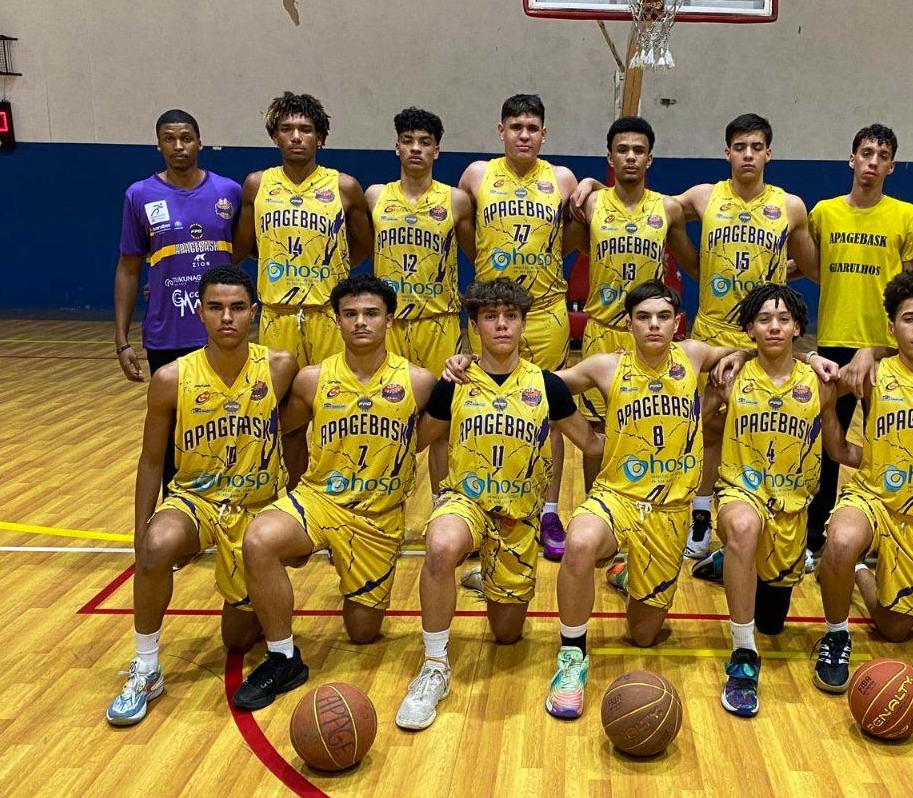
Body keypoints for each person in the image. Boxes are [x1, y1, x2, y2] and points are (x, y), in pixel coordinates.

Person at [532, 281, 804, 719]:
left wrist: (758, 356)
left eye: (662, 317)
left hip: (670, 512)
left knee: (643, 635)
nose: (654, 325)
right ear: (629, 324)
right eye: (643, 317)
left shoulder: (693, 355)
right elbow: (539, 386)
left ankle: (626, 575)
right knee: (579, 543)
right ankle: (572, 656)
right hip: (617, 497)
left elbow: (759, 349)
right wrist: (586, 438)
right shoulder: (605, 366)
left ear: (677, 323)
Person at [571, 113, 818, 559]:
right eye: (739, 147)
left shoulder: (792, 206)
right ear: (727, 152)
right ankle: (685, 513)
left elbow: (814, 266)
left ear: (769, 153)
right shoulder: (702, 197)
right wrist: (589, 183)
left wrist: (780, 279)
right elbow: (655, 220)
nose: (747, 155)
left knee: (756, 428)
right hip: (709, 331)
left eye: (756, 147)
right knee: (700, 426)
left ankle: (760, 518)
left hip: (760, 338)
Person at [394, 279, 604, 731]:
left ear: (524, 324)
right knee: (440, 546)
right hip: (465, 503)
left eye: (510, 316)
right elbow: (421, 440)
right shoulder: (455, 383)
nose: (502, 325)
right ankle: (434, 666)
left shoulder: (548, 385)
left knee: (507, 634)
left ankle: (486, 573)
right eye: (491, 317)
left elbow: (590, 443)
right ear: (475, 327)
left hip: (518, 519)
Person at [232, 276, 437, 711]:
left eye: (371, 313)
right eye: (350, 314)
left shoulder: (419, 382)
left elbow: (431, 438)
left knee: (362, 632)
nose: (361, 322)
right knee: (260, 538)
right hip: (319, 500)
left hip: (378, 517)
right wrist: (287, 496)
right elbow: (283, 431)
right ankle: (283, 657)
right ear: (337, 321)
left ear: (389, 320)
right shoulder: (312, 379)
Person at [106, 265, 297, 726]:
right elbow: (151, 460)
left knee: (237, 639)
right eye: (215, 307)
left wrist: (297, 510)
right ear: (199, 312)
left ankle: (254, 611)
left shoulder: (279, 366)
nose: (226, 317)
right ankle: (146, 667)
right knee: (157, 546)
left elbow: (297, 434)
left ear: (254, 312)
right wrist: (139, 532)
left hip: (256, 508)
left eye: (237, 307)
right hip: (196, 501)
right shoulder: (171, 378)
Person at [811, 270, 913, 695]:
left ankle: (859, 572)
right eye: (909, 319)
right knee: (842, 540)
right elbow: (824, 405)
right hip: (872, 499)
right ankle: (836, 636)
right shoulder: (871, 374)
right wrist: (832, 414)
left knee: (895, 629)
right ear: (892, 325)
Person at [700, 284, 837, 716]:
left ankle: (729, 562)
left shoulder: (821, 382)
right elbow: (698, 428)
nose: (774, 327)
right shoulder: (730, 377)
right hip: (740, 492)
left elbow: (836, 444)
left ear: (798, 327)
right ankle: (743, 654)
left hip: (791, 509)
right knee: (743, 528)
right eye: (764, 320)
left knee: (773, 623)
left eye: (783, 319)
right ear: (750, 329)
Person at [458, 94, 580, 560]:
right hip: (492, 312)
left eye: (532, 128)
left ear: (544, 134)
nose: (523, 135)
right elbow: (467, 233)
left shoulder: (562, 179)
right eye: (515, 127)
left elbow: (572, 236)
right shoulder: (477, 175)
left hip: (546, 311)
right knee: (480, 411)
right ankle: (480, 505)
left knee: (547, 412)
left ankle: (548, 510)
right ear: (501, 131)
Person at [233, 92, 371, 482]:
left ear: (320, 137)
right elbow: (243, 247)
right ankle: (297, 494)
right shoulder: (257, 185)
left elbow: (363, 248)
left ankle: (339, 490)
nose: (296, 136)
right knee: (286, 416)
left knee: (338, 412)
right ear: (274, 136)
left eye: (306, 129)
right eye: (287, 129)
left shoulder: (344, 186)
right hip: (277, 316)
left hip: (328, 316)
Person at [806, 124, 913, 561]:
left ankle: (890, 531)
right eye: (866, 153)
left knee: (891, 445)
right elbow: (810, 263)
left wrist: (886, 347)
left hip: (886, 349)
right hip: (833, 343)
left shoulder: (906, 215)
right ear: (852, 159)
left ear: (891, 166)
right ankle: (814, 538)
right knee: (824, 448)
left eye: (882, 156)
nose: (873, 162)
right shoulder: (823, 213)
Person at [567, 115, 696, 488]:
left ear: (649, 159)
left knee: (654, 421)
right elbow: (566, 248)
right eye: (622, 150)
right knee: (597, 427)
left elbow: (693, 265)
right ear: (610, 157)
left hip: (649, 334)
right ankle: (595, 503)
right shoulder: (592, 204)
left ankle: (651, 499)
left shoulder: (668, 209)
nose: (630, 157)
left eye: (639, 150)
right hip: (603, 331)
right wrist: (589, 184)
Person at [115, 109, 242, 488]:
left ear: (200, 142)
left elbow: (240, 253)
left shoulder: (229, 192)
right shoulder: (139, 195)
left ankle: (228, 503)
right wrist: (121, 340)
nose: (178, 146)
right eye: (169, 139)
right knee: (173, 433)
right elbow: (129, 268)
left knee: (225, 425)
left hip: (220, 333)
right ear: (158, 145)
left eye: (186, 137)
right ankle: (178, 506)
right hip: (166, 333)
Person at [366, 106, 475, 493]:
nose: (416, 148)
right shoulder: (375, 196)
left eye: (424, 142)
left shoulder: (457, 200)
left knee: (443, 422)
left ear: (436, 151)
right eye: (408, 141)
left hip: (439, 323)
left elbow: (476, 254)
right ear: (396, 147)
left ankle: (442, 505)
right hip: (389, 326)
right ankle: (381, 500)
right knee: (384, 417)